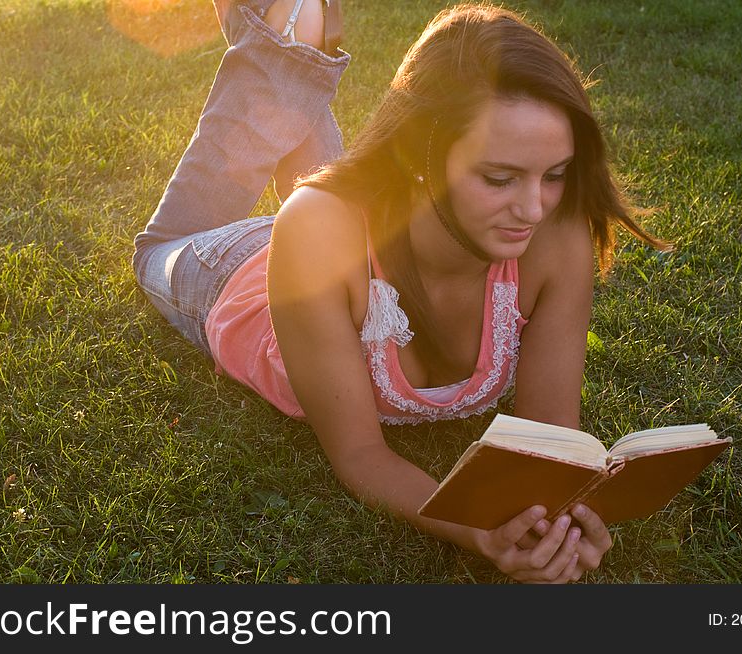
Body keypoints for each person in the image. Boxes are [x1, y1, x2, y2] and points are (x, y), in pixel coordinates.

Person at [132, 0, 666, 583]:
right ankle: (276, 44)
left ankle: (291, 40)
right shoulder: (317, 231)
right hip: (236, 270)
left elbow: (550, 440)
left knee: (330, 199)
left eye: (555, 174)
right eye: (500, 177)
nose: (534, 208)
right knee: (163, 247)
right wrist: (477, 529)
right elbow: (360, 454)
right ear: (425, 157)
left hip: (371, 231)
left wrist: (564, 515)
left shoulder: (552, 238)